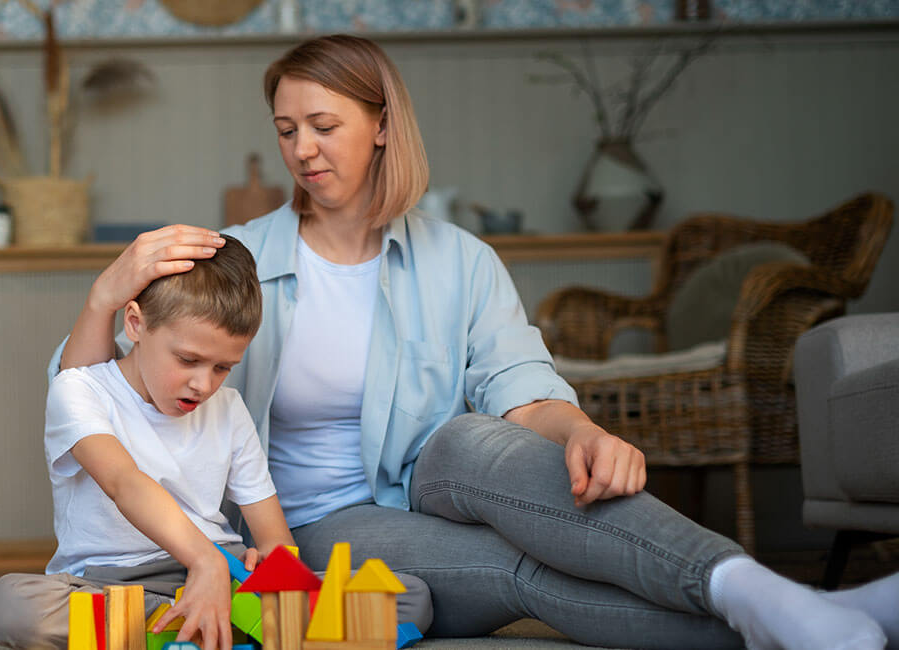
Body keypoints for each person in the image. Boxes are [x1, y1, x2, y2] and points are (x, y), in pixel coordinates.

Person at [51, 34, 899, 650]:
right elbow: (93, 393)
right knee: (514, 565)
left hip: (434, 475)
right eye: (286, 129)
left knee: (475, 439)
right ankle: (796, 614)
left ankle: (767, 596)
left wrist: (583, 433)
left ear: (381, 125)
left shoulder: (459, 260)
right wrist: (106, 288)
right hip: (307, 528)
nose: (301, 150)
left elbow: (520, 388)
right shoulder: (235, 261)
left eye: (323, 124)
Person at [0, 236, 432, 650]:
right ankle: (218, 625)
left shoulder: (230, 409)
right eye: (188, 360)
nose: (203, 384)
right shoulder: (78, 389)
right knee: (13, 605)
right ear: (135, 324)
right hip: (113, 582)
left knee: (411, 598)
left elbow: (274, 534)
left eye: (222, 368)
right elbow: (124, 483)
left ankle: (202, 623)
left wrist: (273, 571)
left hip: (224, 570)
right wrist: (204, 562)